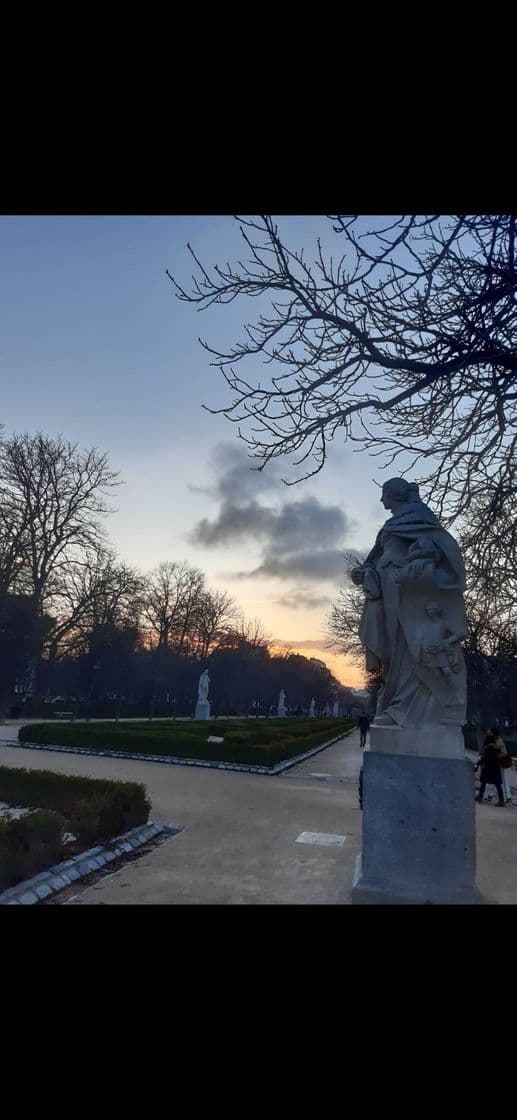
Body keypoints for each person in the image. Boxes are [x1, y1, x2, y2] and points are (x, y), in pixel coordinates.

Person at [351, 477, 468, 730]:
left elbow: (436, 551)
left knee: (407, 645)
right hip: (387, 593)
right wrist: (364, 572)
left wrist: (418, 566)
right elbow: (374, 559)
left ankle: (404, 707)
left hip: (406, 594)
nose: (382, 500)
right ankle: (396, 703)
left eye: (385, 495)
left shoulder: (419, 520)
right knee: (393, 650)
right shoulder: (393, 524)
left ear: (395, 496)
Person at [474, 731, 506, 806]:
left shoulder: (489, 749)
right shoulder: (496, 749)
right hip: (496, 769)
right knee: (497, 785)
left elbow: (485, 759)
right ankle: (501, 800)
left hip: (489, 769)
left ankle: (480, 797)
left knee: (484, 782)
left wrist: (478, 763)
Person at [493, 727, 512, 804]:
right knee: (500, 780)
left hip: (502, 763)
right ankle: (507, 797)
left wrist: (496, 755)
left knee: (503, 780)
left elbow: (504, 753)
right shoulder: (497, 740)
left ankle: (508, 797)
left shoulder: (499, 741)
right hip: (500, 763)